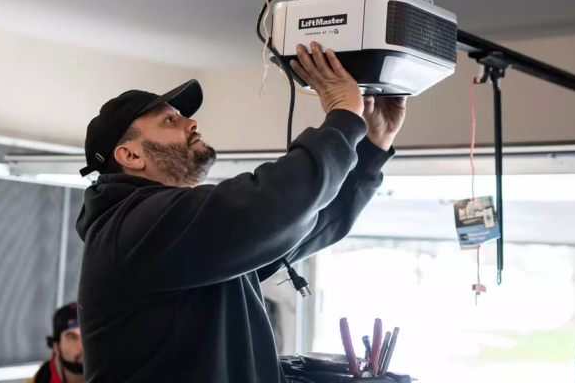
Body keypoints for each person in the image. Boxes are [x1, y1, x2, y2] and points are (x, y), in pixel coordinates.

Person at [75, 42, 407, 383]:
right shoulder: (132, 228)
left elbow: (310, 222)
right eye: (170, 120)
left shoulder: (183, 242)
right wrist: (343, 116)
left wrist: (373, 144)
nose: (191, 122)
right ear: (130, 156)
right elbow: (273, 203)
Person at [25, 303, 85, 383]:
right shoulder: (40, 379)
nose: (83, 345)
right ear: (56, 346)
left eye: (87, 337)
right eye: (72, 337)